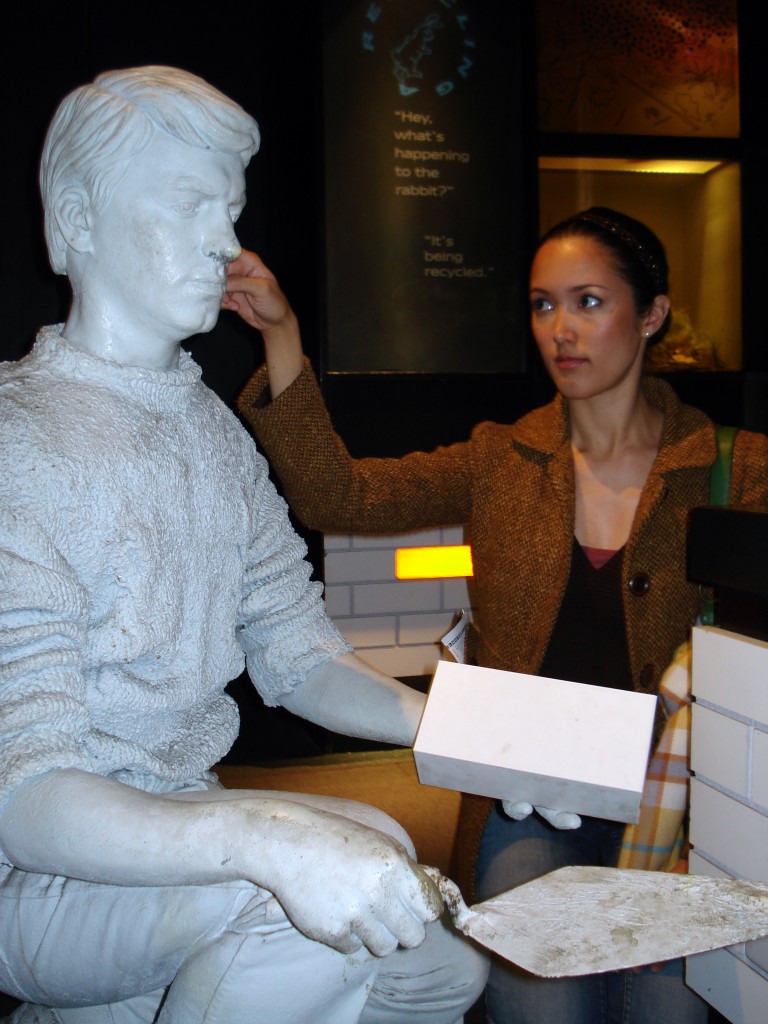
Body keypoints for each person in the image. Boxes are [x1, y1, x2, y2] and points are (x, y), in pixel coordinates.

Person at [0, 65, 490, 1024]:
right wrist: (269, 839)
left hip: (178, 808)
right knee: (290, 906)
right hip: (40, 868)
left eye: (228, 210)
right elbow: (26, 794)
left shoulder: (214, 435)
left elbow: (298, 654)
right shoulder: (20, 438)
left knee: (437, 960)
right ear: (80, 217)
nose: (225, 241)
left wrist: (468, 736)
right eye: (188, 203)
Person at [227, 209, 768, 1024]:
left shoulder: (736, 466)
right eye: (544, 305)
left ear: (652, 314)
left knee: (669, 1008)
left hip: (680, 804)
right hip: (529, 795)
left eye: (589, 301)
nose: (561, 329)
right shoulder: (504, 458)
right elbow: (339, 496)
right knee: (535, 997)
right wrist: (281, 334)